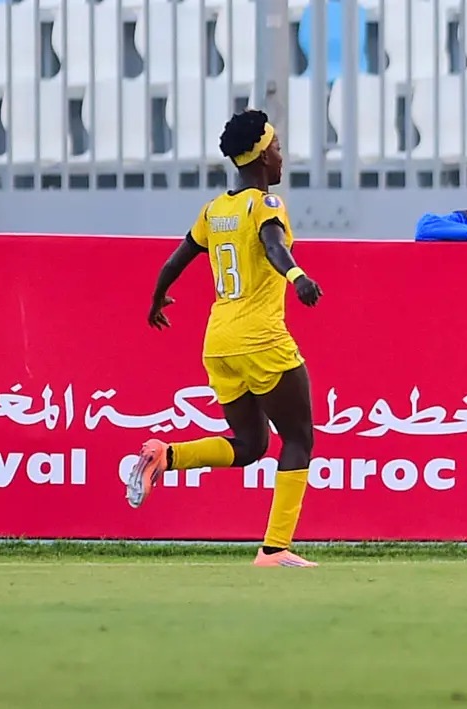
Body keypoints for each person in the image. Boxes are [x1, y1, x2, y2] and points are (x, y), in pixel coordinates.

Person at [125, 109, 323, 568]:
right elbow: (275, 246)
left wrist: (157, 299)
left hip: (219, 341)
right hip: (262, 339)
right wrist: (298, 277)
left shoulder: (214, 211)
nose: (280, 156)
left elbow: (174, 262)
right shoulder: (264, 204)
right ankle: (275, 550)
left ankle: (164, 457)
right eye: (275, 147)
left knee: (250, 444)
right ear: (258, 156)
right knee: (298, 438)